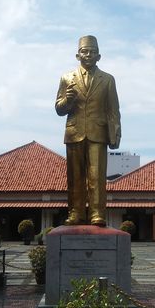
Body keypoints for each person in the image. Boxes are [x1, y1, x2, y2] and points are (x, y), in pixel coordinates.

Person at [55, 35, 121, 226]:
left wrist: (115, 133)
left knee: (97, 176)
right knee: (75, 177)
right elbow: (59, 109)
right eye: (85, 51)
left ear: (99, 56)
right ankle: (76, 212)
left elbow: (113, 110)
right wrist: (68, 100)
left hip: (98, 133)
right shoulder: (66, 78)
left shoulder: (108, 79)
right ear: (77, 55)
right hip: (74, 132)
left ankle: (97, 213)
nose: (88, 55)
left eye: (92, 52)